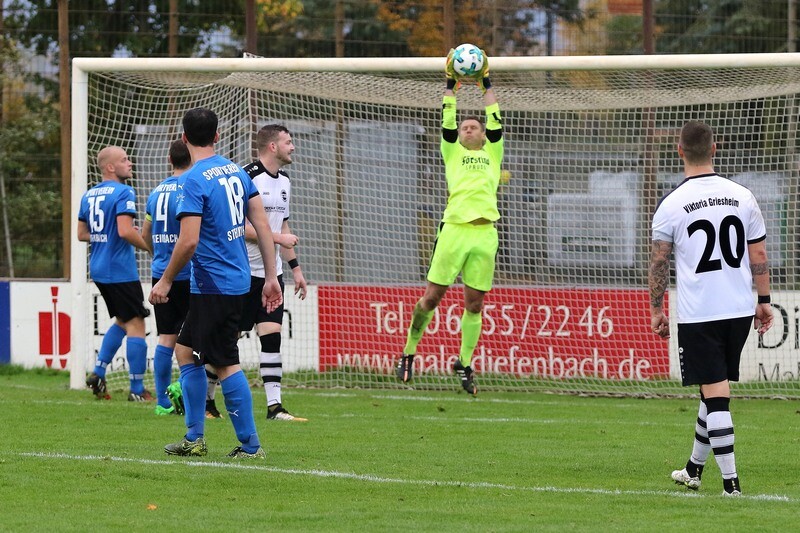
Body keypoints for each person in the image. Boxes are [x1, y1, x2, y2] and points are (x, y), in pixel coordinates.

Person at [648, 120, 774, 496]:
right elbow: (759, 254)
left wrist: (656, 309)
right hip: (739, 311)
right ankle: (693, 469)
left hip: (700, 313)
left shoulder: (671, 204)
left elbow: (659, 261)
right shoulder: (743, 196)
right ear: (714, 149)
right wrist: (764, 301)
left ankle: (731, 484)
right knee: (711, 388)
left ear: (679, 151)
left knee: (716, 393)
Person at [149, 107, 283, 459]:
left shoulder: (193, 180)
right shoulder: (236, 171)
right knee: (185, 350)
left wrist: (165, 281)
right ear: (217, 136)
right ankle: (194, 437)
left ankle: (251, 446)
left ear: (184, 139)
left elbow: (189, 240)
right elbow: (263, 227)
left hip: (215, 284)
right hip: (234, 280)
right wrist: (271, 276)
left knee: (224, 362)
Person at [395, 48, 502, 396]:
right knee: (432, 297)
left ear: (484, 135)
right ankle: (409, 352)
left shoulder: (493, 153)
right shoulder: (452, 152)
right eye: (465, 127)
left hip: (485, 234)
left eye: (474, 127)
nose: (468, 130)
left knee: (475, 304)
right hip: (454, 230)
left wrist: (486, 84)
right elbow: (447, 118)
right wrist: (450, 85)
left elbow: (495, 115)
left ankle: (465, 363)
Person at [205, 124, 309, 422]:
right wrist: (277, 238)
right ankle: (207, 401)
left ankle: (275, 407)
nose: (293, 147)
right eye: (288, 142)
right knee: (228, 341)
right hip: (242, 274)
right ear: (272, 146)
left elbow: (282, 225)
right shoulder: (245, 177)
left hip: (272, 275)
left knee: (272, 336)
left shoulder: (285, 181)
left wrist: (296, 269)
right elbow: (237, 226)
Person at [78, 146, 154, 402]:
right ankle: (137, 389)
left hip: (99, 267)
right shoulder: (124, 192)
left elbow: (81, 234)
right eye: (124, 160)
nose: (129, 163)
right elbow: (124, 230)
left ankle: (98, 372)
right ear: (110, 167)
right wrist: (150, 249)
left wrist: (104, 235)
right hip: (119, 270)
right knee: (136, 323)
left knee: (123, 319)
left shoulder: (89, 195)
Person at [141, 139, 192, 415]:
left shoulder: (156, 192)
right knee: (192, 339)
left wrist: (158, 255)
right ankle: (185, 390)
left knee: (166, 337)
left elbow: (144, 234)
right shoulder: (190, 187)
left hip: (160, 273)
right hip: (186, 272)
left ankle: (162, 402)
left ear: (170, 160)